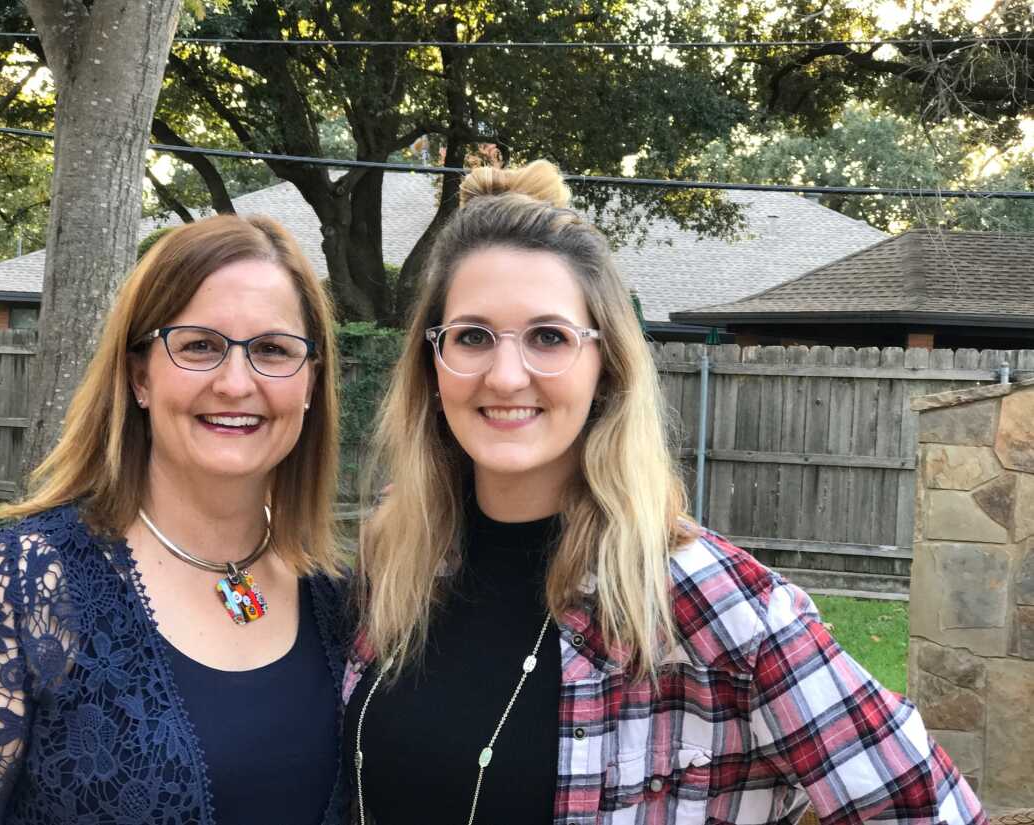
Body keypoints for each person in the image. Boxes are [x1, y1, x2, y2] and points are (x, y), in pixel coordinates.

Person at [343, 161, 985, 825]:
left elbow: (932, 809)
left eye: (549, 337)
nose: (507, 375)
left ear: (606, 366)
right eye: (473, 336)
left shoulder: (705, 603)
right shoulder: (394, 559)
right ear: (432, 361)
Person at [0, 215, 348, 825]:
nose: (237, 383)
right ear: (139, 377)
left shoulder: (338, 595)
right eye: (200, 345)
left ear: (310, 382)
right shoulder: (27, 588)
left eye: (272, 350)